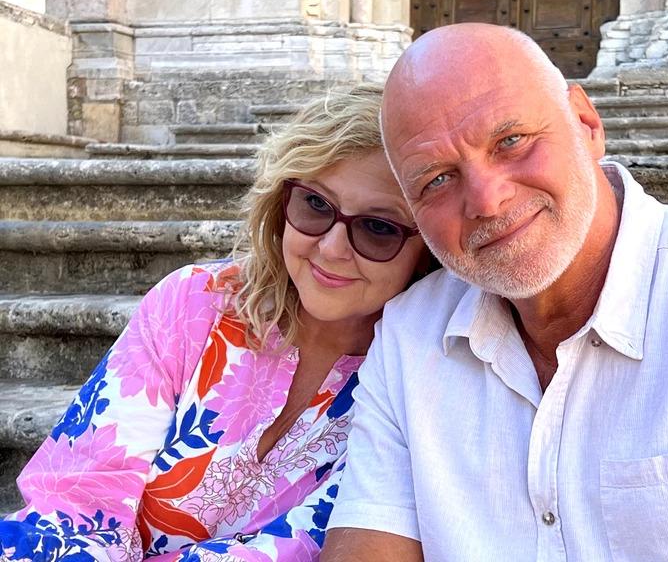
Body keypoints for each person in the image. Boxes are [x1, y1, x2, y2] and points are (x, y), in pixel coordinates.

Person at [321, 24, 668, 561]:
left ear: (586, 124)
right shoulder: (411, 335)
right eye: (436, 179)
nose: (487, 201)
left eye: (511, 141)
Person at [0, 85, 430, 561]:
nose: (331, 249)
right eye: (315, 204)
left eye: (378, 228)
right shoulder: (194, 305)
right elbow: (79, 502)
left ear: (428, 250)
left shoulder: (415, 385)